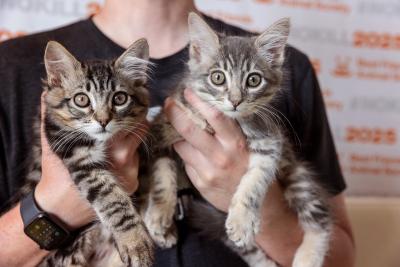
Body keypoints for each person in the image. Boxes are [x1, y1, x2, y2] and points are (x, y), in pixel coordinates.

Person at [0, 0, 355, 266]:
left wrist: (259, 204)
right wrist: (55, 208)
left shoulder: (280, 65)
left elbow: (342, 257)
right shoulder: (10, 68)